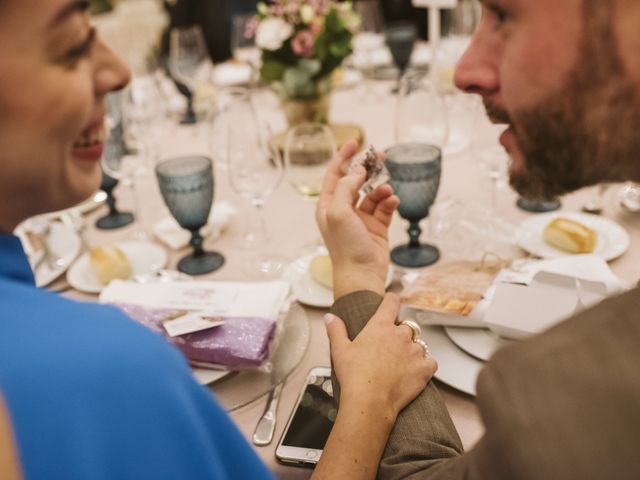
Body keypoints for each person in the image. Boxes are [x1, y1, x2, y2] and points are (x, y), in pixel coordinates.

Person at [0, 2, 427, 478]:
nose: (121, 71)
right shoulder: (103, 368)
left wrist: (354, 272)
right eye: (73, 44)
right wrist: (369, 403)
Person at [313, 0, 640, 479]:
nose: (463, 72)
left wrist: (357, 289)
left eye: (504, 15)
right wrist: (359, 275)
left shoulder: (573, 394)